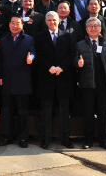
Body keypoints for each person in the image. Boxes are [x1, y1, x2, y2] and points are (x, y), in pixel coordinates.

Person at [75, 17, 106, 150]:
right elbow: (75, 60)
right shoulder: (79, 44)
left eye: (96, 26)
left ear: (100, 29)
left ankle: (103, 140)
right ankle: (88, 140)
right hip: (87, 84)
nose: (93, 28)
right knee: (87, 113)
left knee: (103, 113)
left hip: (104, 84)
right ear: (86, 29)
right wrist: (77, 63)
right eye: (90, 26)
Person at [35, 11, 75, 149]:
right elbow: (38, 55)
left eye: (55, 20)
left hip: (63, 79)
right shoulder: (40, 37)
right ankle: (45, 139)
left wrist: (61, 67)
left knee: (64, 112)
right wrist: (50, 67)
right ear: (46, 22)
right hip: (46, 79)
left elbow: (72, 54)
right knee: (46, 112)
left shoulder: (67, 36)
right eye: (50, 20)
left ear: (59, 21)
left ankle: (66, 139)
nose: (52, 22)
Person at [0, 16, 35, 148]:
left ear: (22, 25)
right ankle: (7, 136)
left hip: (22, 80)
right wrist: (0, 76)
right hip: (6, 80)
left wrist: (31, 58)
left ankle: (23, 138)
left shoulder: (29, 39)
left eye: (17, 23)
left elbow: (33, 53)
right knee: (7, 110)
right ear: (8, 25)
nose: (15, 26)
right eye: (12, 23)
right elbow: (0, 60)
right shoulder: (3, 40)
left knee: (22, 111)